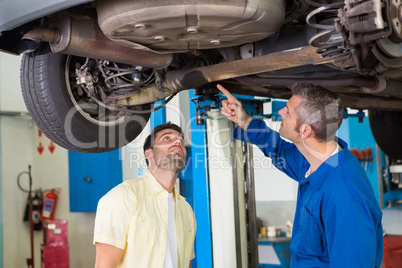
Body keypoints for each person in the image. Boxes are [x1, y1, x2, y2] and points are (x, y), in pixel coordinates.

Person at [217, 83, 383, 267]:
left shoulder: (344, 198)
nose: (280, 112)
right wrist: (245, 120)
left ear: (305, 130)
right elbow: (278, 149)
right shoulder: (316, 159)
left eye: (287, 112)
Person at [93, 122, 196, 268]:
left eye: (181, 140)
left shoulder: (186, 211)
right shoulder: (122, 197)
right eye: (167, 138)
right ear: (149, 153)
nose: (178, 141)